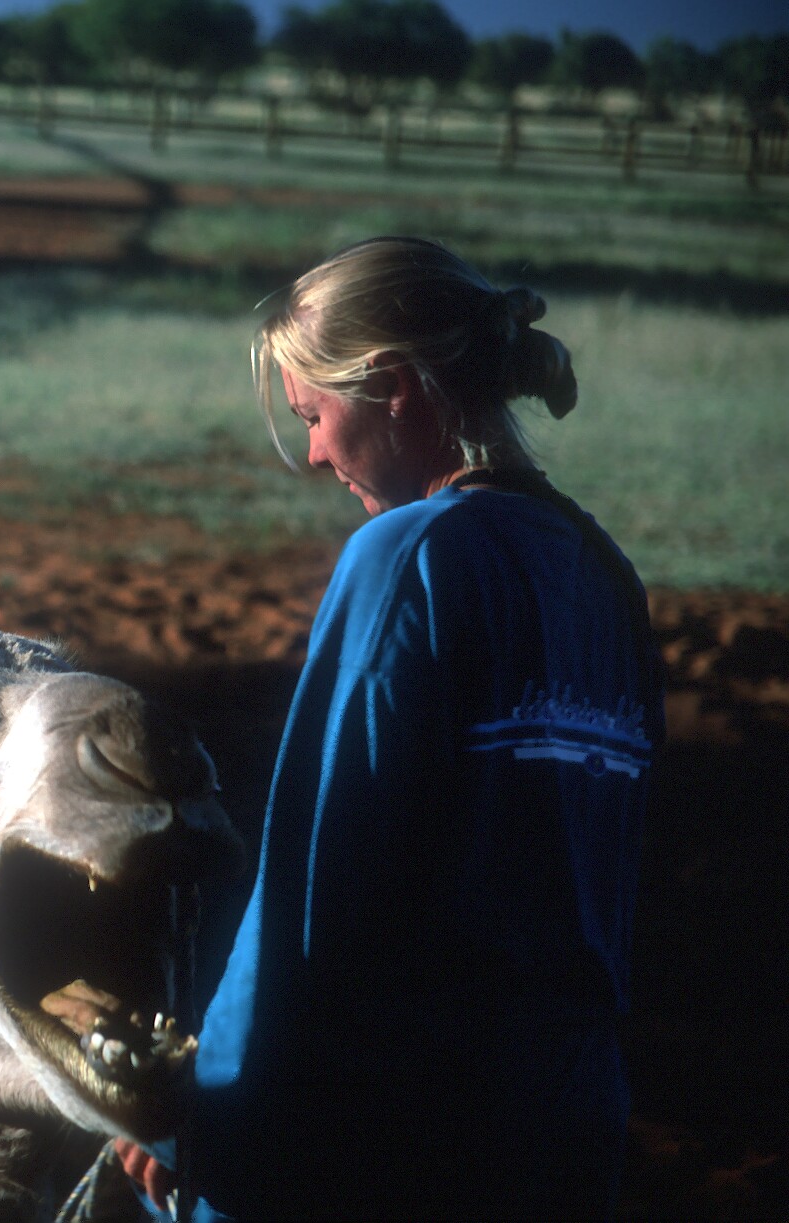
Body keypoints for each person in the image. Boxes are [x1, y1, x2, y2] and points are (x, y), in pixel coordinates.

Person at [124, 237, 663, 1219]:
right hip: (566, 1124)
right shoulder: (604, 574)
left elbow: (317, 884)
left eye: (314, 416)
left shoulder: (407, 554)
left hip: (397, 1136)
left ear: (393, 386)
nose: (315, 454)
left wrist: (213, 1108)